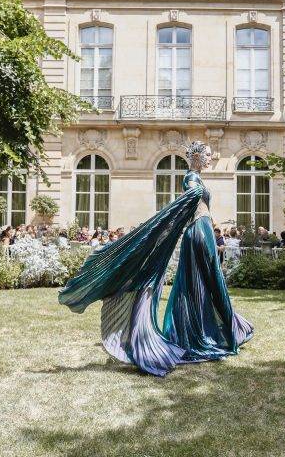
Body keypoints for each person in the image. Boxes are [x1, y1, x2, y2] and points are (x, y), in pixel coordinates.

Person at [59, 140, 253, 377]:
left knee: (205, 282)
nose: (211, 158)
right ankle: (207, 333)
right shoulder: (191, 179)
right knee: (205, 282)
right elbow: (187, 201)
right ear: (196, 156)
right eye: (208, 155)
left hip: (202, 233)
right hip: (199, 234)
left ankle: (211, 330)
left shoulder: (197, 179)